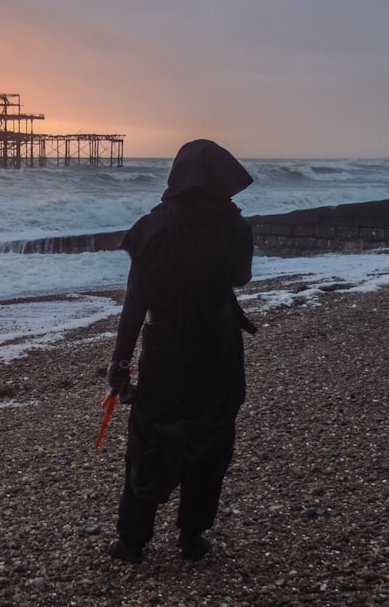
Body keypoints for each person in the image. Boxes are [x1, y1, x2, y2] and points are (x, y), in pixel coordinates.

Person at [105, 139, 257, 564]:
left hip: (168, 350)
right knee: (212, 436)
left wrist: (120, 365)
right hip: (219, 347)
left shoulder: (153, 229)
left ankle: (132, 543)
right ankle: (192, 539)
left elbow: (136, 302)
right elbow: (240, 279)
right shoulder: (236, 226)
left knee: (150, 438)